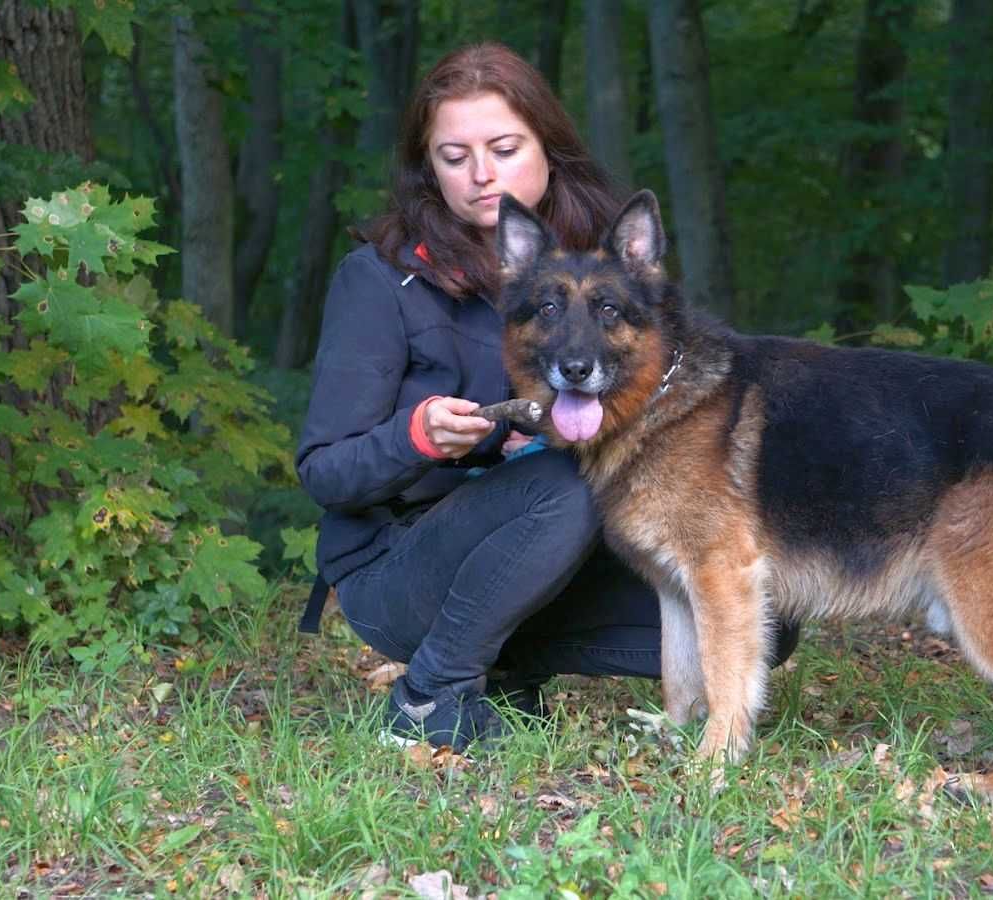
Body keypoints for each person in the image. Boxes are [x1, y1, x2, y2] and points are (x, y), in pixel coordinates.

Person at [296, 43, 797, 752]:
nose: (481, 175)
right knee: (566, 482)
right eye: (453, 156)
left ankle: (506, 668)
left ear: (548, 147)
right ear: (427, 168)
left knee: (755, 613)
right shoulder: (380, 282)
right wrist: (414, 440)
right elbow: (323, 470)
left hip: (550, 556)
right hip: (399, 567)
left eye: (503, 147)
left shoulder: (606, 263)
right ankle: (429, 691)